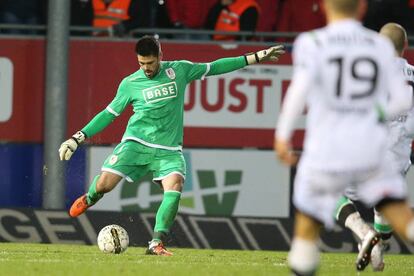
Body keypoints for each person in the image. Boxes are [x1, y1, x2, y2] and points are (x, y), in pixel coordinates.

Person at [59, 35, 285, 256]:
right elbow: (108, 115)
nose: (146, 68)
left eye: (149, 62)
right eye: (141, 63)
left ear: (160, 56)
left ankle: (156, 243)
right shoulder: (129, 84)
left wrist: (253, 58)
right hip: (136, 142)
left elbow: (215, 67)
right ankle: (90, 198)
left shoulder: (179, 70)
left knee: (175, 185)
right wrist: (77, 137)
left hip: (168, 150)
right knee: (105, 185)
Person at [274, 0, 414, 274]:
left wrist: (282, 135)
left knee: (308, 223)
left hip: (331, 146)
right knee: (395, 211)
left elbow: (298, 92)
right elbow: (400, 101)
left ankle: (361, 233)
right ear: (362, 8)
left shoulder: (312, 42)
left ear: (325, 6)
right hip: (377, 148)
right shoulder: (376, 50)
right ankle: (373, 240)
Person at [335, 22, 414, 272]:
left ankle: (363, 231)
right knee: (384, 205)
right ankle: (378, 246)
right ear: (406, 46)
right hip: (398, 158)